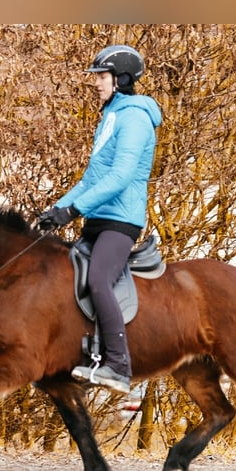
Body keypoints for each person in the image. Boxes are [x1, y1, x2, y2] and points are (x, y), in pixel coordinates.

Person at [38, 44, 162, 394]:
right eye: (97, 77)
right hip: (98, 216)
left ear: (121, 79)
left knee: (97, 280)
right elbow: (91, 179)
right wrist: (56, 210)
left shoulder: (135, 118)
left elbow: (120, 176)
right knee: (65, 280)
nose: (96, 83)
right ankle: (85, 354)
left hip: (120, 221)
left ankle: (118, 365)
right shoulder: (112, 115)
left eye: (102, 77)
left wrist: (74, 210)